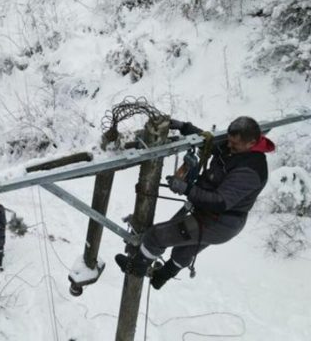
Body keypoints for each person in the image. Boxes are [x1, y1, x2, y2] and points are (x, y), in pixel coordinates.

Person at [115, 116, 275, 289]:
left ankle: (136, 268)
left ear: (251, 143)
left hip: (218, 221)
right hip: (215, 217)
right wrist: (183, 127)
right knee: (184, 250)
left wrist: (187, 189)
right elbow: (208, 142)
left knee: (156, 236)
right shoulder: (236, 149)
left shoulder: (250, 170)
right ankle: (162, 276)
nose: (229, 146)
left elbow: (220, 202)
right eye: (229, 141)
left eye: (234, 144)